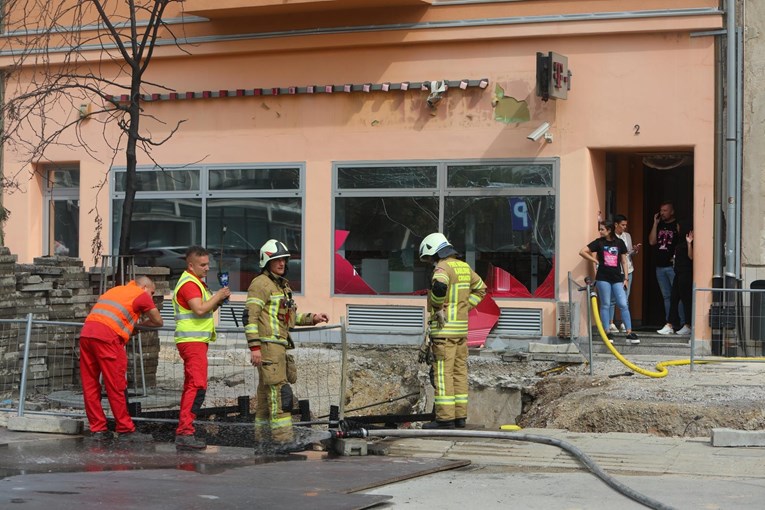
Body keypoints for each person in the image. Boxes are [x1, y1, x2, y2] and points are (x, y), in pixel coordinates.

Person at [245, 239, 328, 452]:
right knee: (280, 393)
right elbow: (250, 317)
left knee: (266, 395)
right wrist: (255, 347)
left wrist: (312, 318)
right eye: (276, 259)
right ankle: (282, 440)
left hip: (278, 346)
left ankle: (263, 440)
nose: (281, 263)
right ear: (266, 261)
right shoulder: (261, 284)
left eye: (283, 259)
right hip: (269, 346)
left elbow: (288, 318)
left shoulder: (280, 286)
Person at [79, 276, 163, 441]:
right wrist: (140, 326)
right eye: (152, 292)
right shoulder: (141, 295)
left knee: (90, 385)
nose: (151, 297)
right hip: (108, 338)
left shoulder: (115, 290)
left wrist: (131, 327)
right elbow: (158, 321)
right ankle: (125, 430)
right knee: (116, 385)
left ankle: (98, 429)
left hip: (87, 333)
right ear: (144, 287)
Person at [418, 233, 486, 429]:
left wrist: (438, 308)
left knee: (443, 374)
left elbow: (439, 286)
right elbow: (481, 289)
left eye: (430, 258)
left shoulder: (443, 268)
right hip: (461, 331)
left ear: (434, 251)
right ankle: (459, 417)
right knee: (459, 373)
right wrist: (464, 308)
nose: (431, 262)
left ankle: (445, 419)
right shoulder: (464, 267)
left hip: (444, 331)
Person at [172, 246, 231, 450]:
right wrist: (218, 296)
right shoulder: (189, 284)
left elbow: (205, 308)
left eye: (208, 264)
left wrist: (218, 300)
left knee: (193, 385)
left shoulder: (196, 283)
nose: (207, 268)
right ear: (191, 265)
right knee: (197, 386)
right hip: (192, 341)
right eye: (203, 265)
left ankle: (185, 430)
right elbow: (199, 309)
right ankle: (185, 432)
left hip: (196, 341)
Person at [580, 221, 640, 345]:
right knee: (606, 304)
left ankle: (629, 332)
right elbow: (582, 251)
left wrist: (626, 278)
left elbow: (624, 261)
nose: (600, 231)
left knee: (623, 303)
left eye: (602, 229)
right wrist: (596, 261)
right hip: (603, 278)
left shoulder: (619, 243)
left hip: (617, 277)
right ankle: (607, 331)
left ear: (609, 230)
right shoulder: (599, 242)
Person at [649, 201, 685, 334]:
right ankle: (669, 323)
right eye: (661, 210)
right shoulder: (659, 225)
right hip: (660, 266)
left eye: (665, 210)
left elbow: (682, 242)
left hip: (672, 266)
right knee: (667, 296)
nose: (662, 213)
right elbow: (652, 241)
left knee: (678, 295)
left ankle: (681, 323)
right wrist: (655, 223)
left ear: (672, 211)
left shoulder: (676, 225)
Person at [608, 215, 641, 333]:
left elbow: (627, 253)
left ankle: (623, 322)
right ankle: (611, 323)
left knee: (625, 298)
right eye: (622, 225)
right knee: (612, 298)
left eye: (626, 225)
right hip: (615, 271)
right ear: (616, 225)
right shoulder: (610, 237)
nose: (625, 227)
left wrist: (635, 250)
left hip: (628, 270)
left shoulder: (627, 236)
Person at [668, 225, 694, 335]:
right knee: (673, 298)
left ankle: (688, 324)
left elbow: (691, 257)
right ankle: (670, 324)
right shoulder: (679, 241)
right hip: (678, 273)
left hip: (686, 274)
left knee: (686, 300)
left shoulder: (691, 243)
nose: (677, 228)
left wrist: (689, 243)